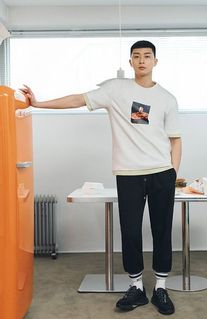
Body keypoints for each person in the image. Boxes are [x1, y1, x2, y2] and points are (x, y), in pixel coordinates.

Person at [21, 40, 182, 316]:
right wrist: (38, 103)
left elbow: (175, 140)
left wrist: (172, 174)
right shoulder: (115, 89)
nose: (142, 60)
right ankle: (136, 289)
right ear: (130, 62)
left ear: (156, 61)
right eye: (136, 56)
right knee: (130, 232)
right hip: (129, 174)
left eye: (147, 56)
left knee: (162, 231)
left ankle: (161, 288)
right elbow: (77, 99)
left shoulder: (167, 98)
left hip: (161, 174)